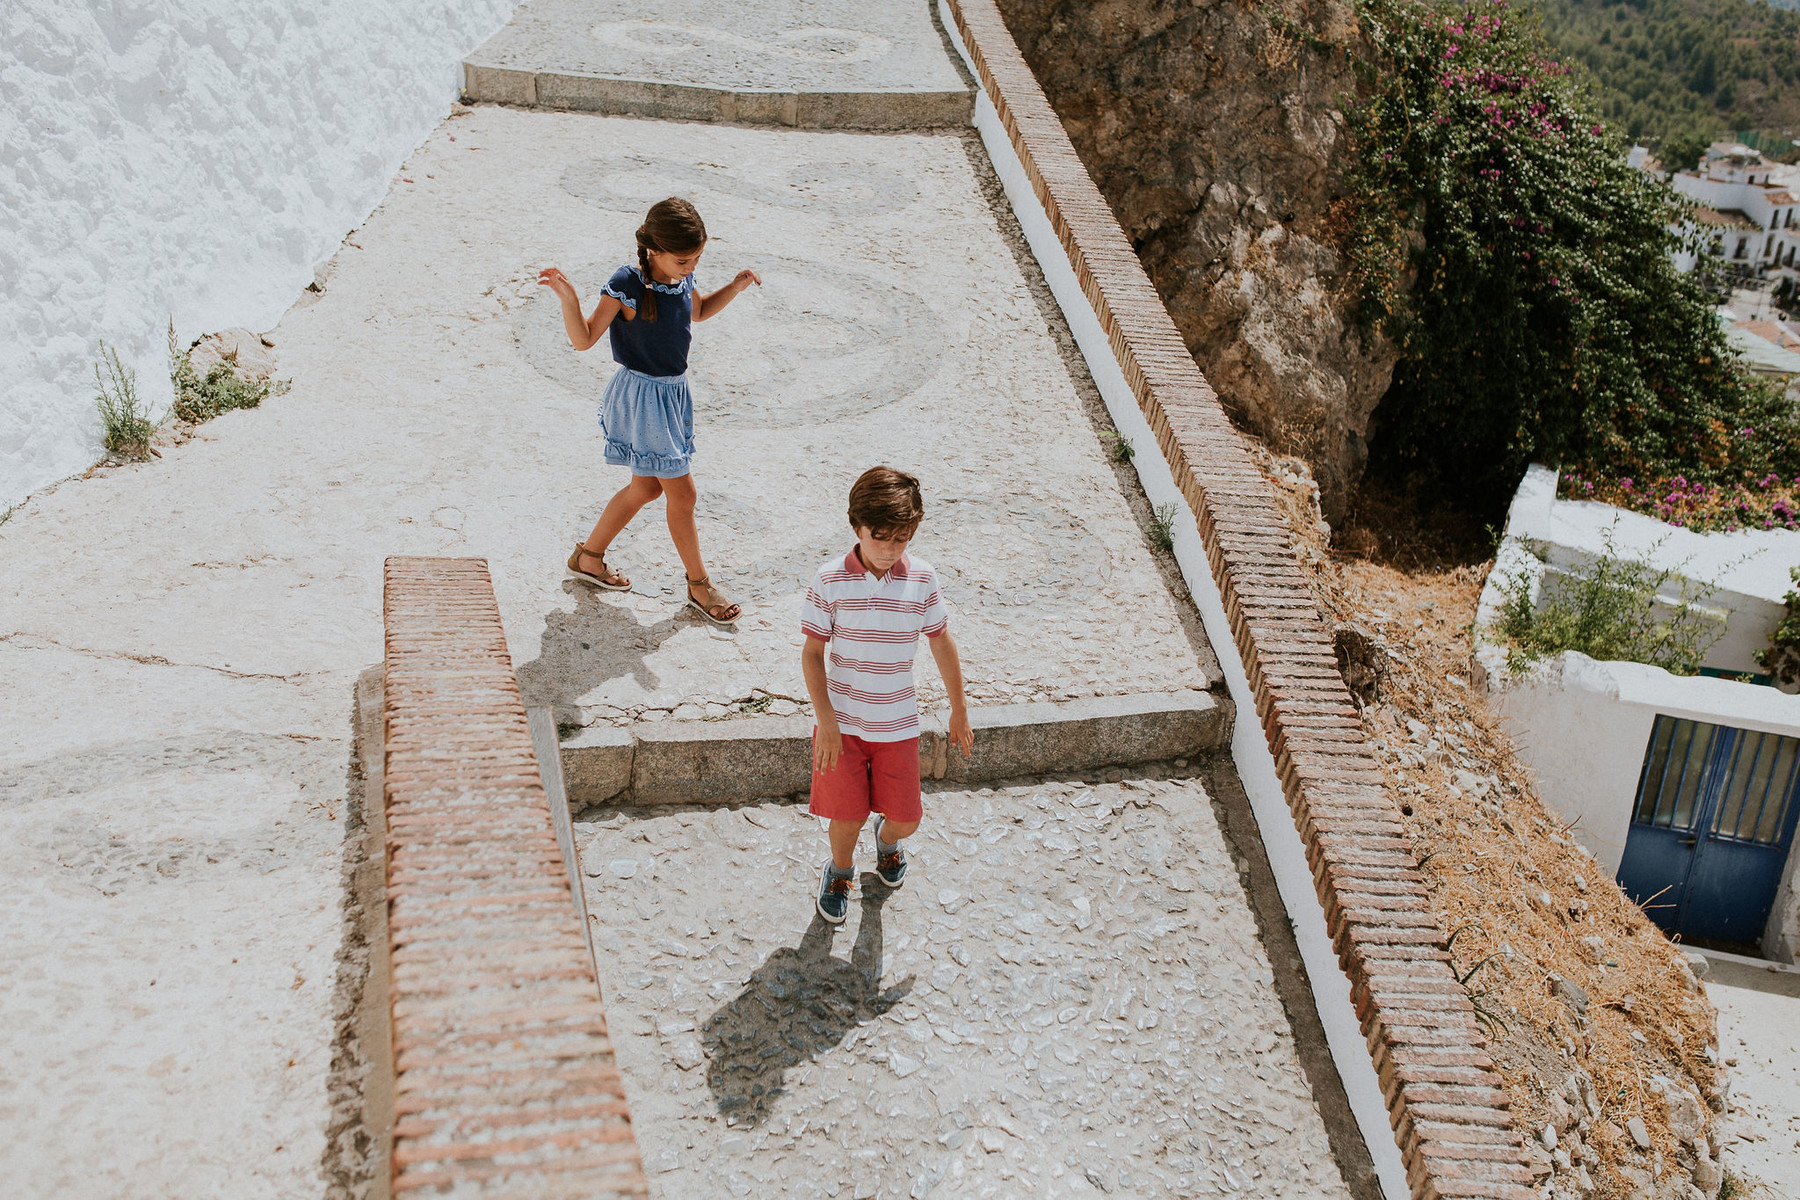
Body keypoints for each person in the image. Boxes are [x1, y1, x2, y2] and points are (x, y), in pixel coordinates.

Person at [537, 196, 759, 626]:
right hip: (643, 399)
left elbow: (698, 310)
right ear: (653, 249)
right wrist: (568, 298)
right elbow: (583, 339)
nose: (691, 267)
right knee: (683, 493)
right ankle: (699, 585)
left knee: (647, 488)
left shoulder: (680, 278)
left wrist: (733, 286)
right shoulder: (626, 284)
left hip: (672, 395)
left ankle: (588, 558)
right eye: (683, 259)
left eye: (697, 258)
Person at [800, 466, 974, 924]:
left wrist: (959, 708)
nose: (889, 549)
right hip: (842, 727)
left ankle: (888, 839)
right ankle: (839, 872)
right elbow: (813, 654)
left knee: (907, 818)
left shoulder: (921, 579)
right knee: (845, 815)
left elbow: (940, 640)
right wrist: (828, 725)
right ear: (856, 525)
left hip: (897, 725)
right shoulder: (829, 580)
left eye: (901, 539)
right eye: (880, 537)